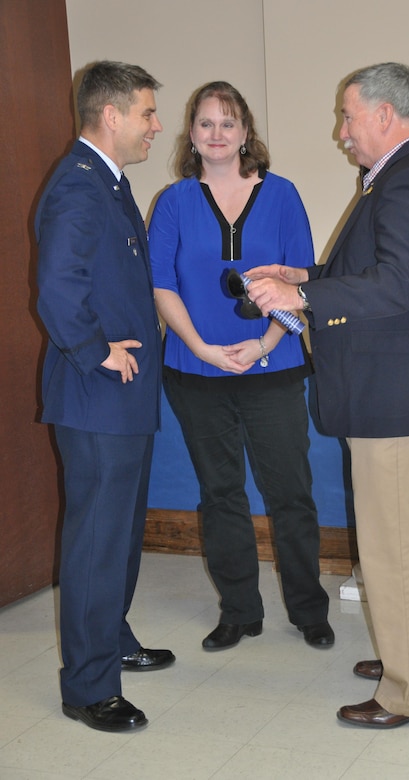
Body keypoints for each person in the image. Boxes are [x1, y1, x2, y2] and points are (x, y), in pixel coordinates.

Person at [246, 62, 409, 728]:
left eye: (347, 116)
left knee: (397, 550)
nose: (340, 131)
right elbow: (379, 276)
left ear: (384, 115)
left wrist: (302, 295)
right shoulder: (405, 177)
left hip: (397, 403)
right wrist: (303, 274)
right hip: (401, 396)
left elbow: (397, 287)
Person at [148, 81, 333, 651]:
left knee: (290, 492)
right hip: (194, 370)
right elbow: (160, 284)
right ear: (192, 136)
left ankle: (308, 610)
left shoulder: (281, 195)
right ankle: (239, 611)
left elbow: (300, 281)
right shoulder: (174, 201)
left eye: (228, 123)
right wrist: (202, 348)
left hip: (271, 371)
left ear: (246, 133)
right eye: (206, 124)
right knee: (221, 493)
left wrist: (266, 345)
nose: (217, 134)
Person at [35, 60, 174, 733]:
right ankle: (89, 687)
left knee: (116, 537)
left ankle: (110, 638)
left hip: (124, 398)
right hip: (96, 395)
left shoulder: (110, 186)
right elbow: (57, 291)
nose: (155, 126)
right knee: (95, 541)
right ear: (111, 114)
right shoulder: (79, 188)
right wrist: (95, 350)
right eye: (147, 113)